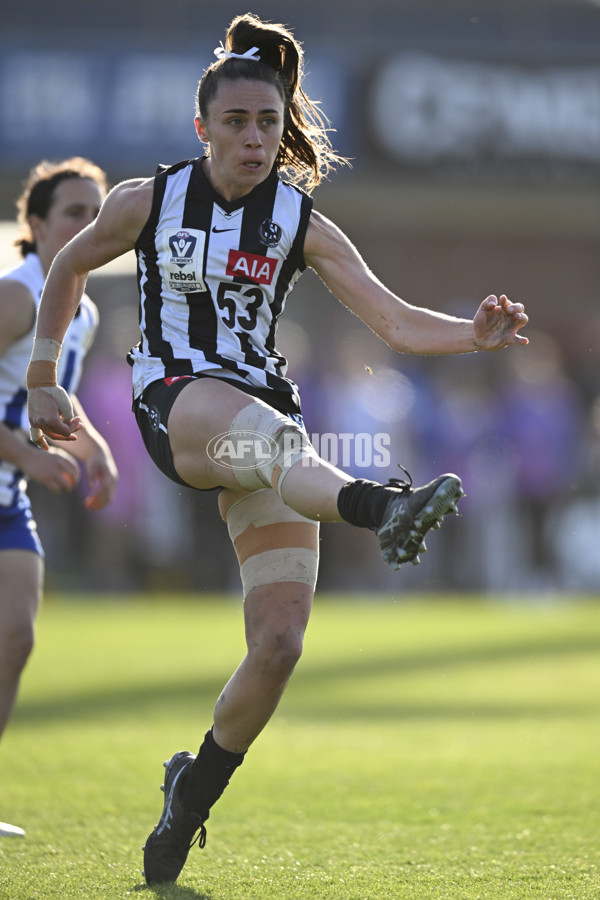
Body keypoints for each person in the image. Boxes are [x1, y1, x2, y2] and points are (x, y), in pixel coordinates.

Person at [26, 14, 529, 884]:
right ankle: (384, 507)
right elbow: (66, 267)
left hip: (266, 434)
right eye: (236, 123)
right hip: (174, 404)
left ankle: (192, 792)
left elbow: (396, 320)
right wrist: (41, 374)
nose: (254, 139)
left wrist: (475, 338)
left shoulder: (300, 220)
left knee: (280, 644)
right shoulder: (147, 201)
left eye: (268, 122)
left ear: (282, 121)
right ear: (202, 128)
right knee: (263, 431)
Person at [0, 158, 118, 837]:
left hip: (6, 492)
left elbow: (51, 394)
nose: (89, 227)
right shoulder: (18, 295)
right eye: (74, 213)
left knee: (14, 636)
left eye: (98, 215)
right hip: (12, 472)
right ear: (37, 226)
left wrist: (91, 446)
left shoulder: (87, 310)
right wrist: (21, 455)